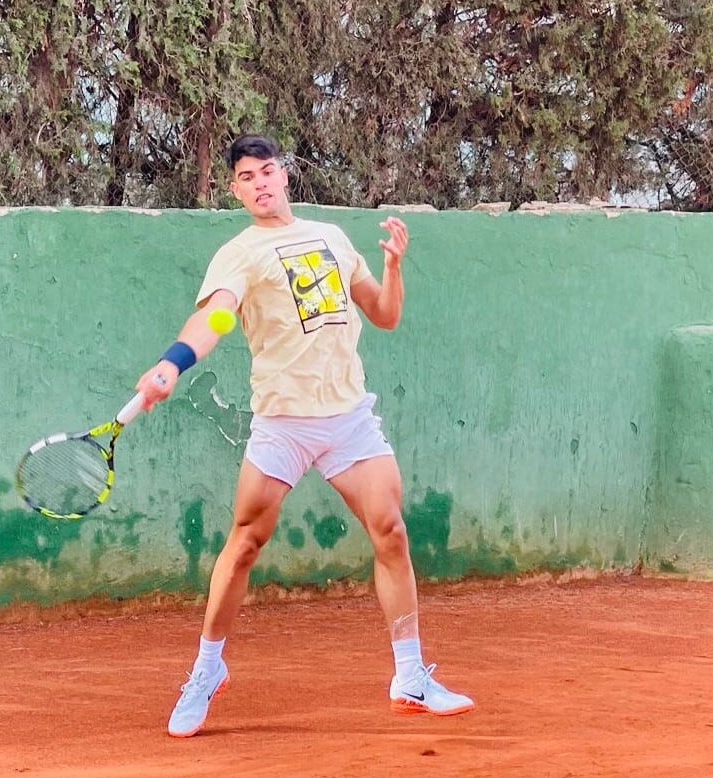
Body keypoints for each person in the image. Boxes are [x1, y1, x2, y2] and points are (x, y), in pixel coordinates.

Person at [133, 133, 475, 738]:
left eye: (268, 171)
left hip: (348, 418)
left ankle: (411, 676)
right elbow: (215, 317)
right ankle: (207, 670)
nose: (260, 182)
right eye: (247, 176)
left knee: (390, 530)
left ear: (285, 175)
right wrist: (174, 362)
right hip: (283, 423)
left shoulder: (333, 239)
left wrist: (394, 268)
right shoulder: (238, 255)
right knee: (244, 544)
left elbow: (385, 314)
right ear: (235, 189)